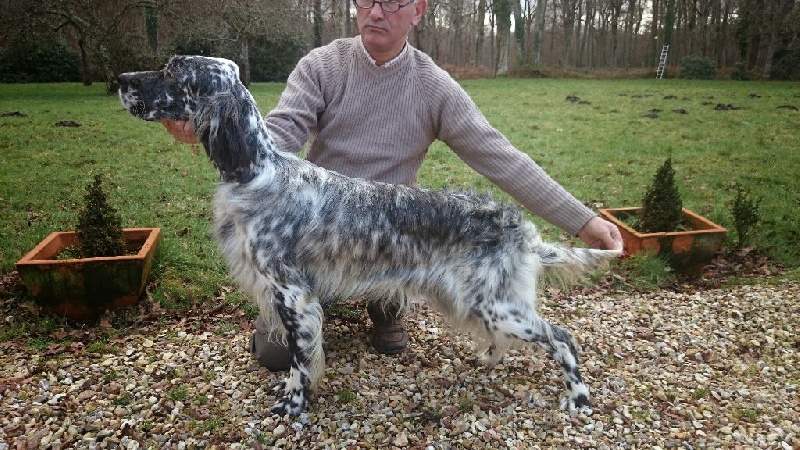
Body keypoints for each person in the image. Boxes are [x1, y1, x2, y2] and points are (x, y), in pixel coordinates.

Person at [162, 0, 623, 371]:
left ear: (418, 10)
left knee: (392, 335)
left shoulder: (434, 87)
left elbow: (500, 158)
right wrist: (208, 131)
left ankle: (387, 310)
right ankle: (321, 301)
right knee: (275, 355)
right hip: (320, 232)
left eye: (390, 3)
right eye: (365, 1)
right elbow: (277, 136)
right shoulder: (321, 66)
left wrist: (582, 221)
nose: (375, 13)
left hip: (396, 237)